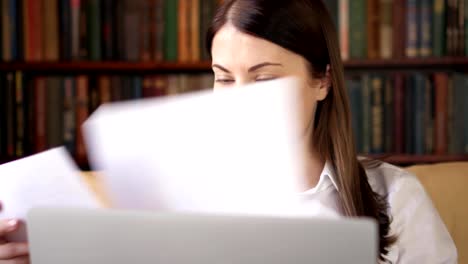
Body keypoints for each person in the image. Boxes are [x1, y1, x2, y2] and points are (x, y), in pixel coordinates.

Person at [0, 0, 457, 263]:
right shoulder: (173, 198)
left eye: (264, 79)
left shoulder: (397, 196)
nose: (241, 99)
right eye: (224, 77)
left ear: (322, 81)